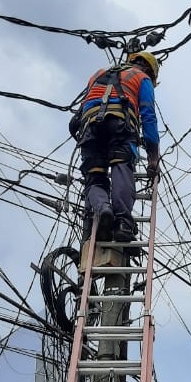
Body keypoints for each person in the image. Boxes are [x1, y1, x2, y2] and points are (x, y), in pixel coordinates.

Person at [71, 51, 161, 242]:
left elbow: (79, 114)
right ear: (150, 71)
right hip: (120, 125)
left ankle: (103, 208)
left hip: (89, 127)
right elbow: (148, 115)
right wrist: (153, 156)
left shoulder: (98, 74)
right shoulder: (142, 78)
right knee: (121, 166)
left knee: (94, 177)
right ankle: (122, 222)